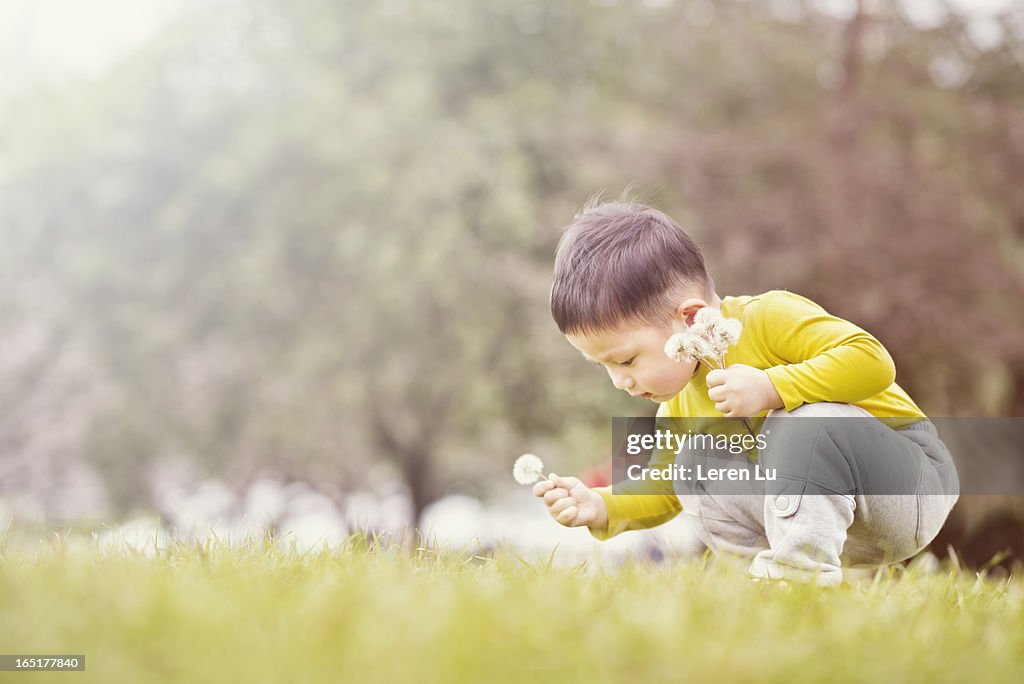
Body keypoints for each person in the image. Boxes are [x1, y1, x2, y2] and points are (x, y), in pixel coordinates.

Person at [534, 198, 959, 585]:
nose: (620, 381)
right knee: (693, 466)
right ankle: (776, 583)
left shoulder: (767, 318)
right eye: (603, 366)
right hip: (839, 525)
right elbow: (665, 487)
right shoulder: (680, 401)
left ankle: (797, 574)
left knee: (798, 421)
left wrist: (772, 387)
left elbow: (872, 360)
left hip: (909, 486)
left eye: (626, 361)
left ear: (692, 318)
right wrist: (603, 505)